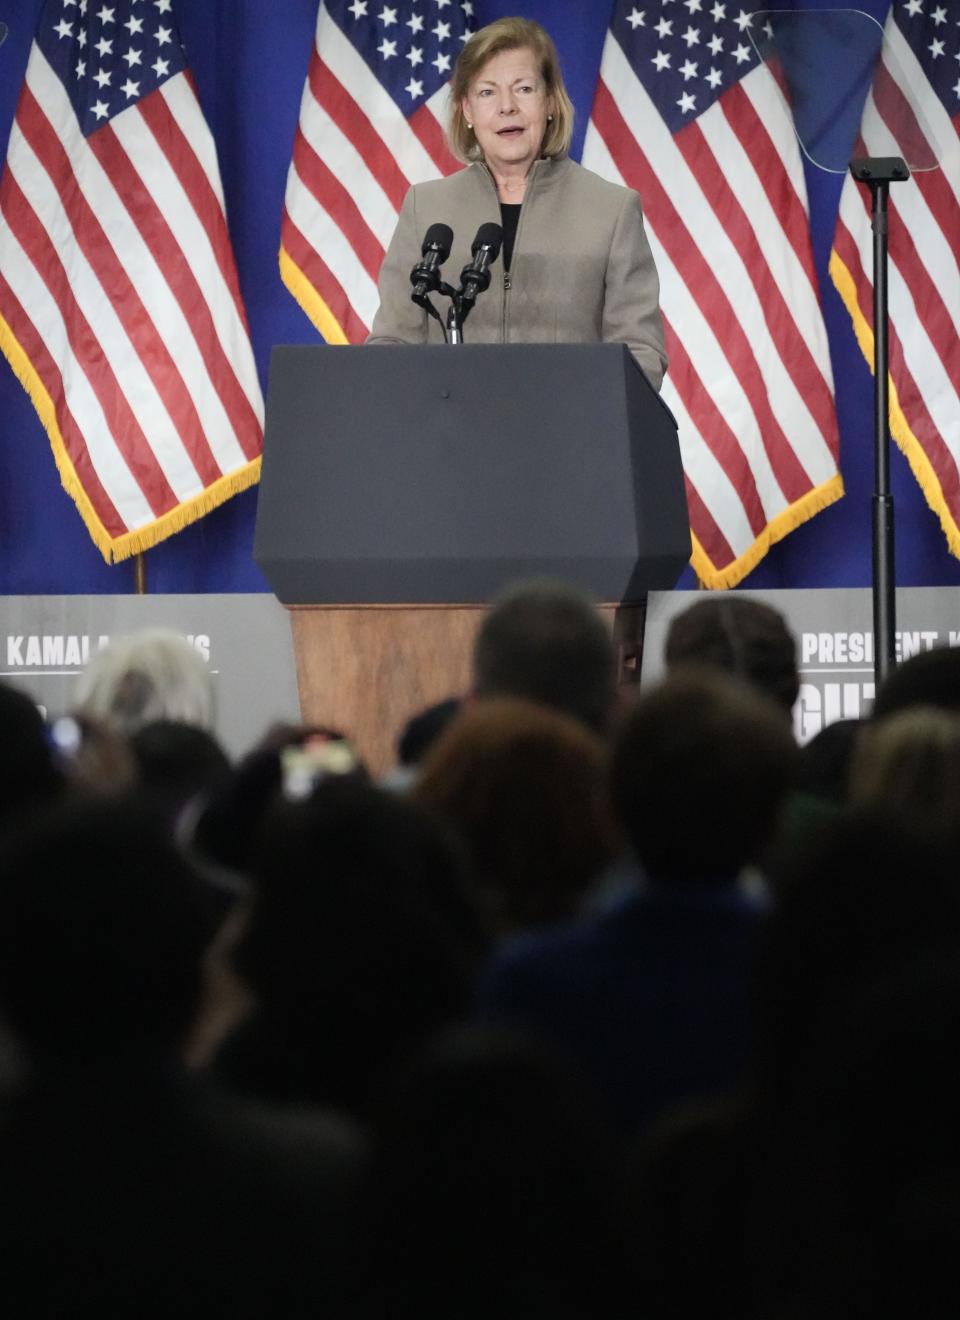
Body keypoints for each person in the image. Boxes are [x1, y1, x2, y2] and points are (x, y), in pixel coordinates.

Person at [367, 17, 667, 391]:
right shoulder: (425, 208)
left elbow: (641, 353)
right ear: (467, 111)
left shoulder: (612, 210)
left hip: (571, 436)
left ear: (550, 102)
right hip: (450, 438)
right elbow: (393, 343)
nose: (507, 107)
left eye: (524, 89)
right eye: (487, 93)